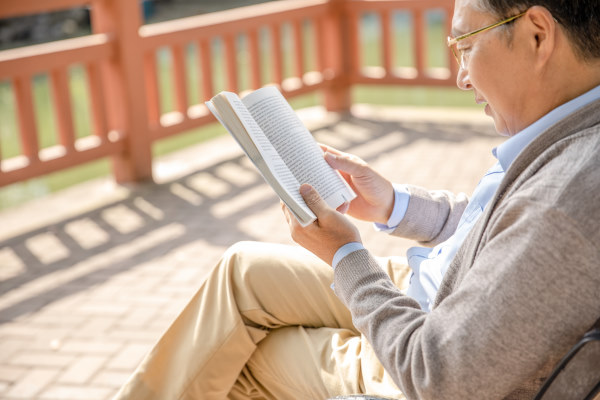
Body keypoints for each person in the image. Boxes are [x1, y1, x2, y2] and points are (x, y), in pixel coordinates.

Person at [115, 0, 600, 398]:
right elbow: (497, 223)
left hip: (429, 343)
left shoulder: (563, 201)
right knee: (244, 271)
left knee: (238, 355)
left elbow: (441, 376)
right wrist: (393, 204)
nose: (462, 77)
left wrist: (345, 254)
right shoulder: (568, 133)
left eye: (467, 47)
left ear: (538, 34)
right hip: (444, 288)